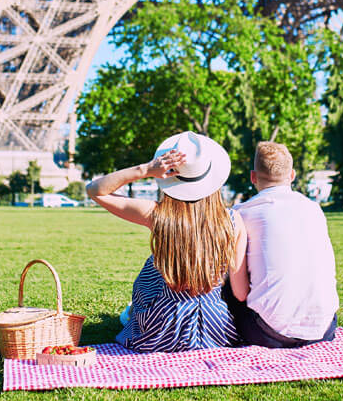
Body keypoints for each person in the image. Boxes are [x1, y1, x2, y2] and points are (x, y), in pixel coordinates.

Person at [86, 131, 248, 352]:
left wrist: (145, 170)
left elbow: (95, 190)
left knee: (153, 265)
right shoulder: (232, 220)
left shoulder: (157, 214)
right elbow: (239, 292)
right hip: (216, 329)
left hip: (161, 328)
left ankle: (134, 313)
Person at [225, 141, 339, 348]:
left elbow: (240, 293)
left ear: (253, 177)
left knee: (226, 281)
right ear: (292, 175)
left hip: (268, 333)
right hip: (323, 329)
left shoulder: (242, 214)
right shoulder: (313, 210)